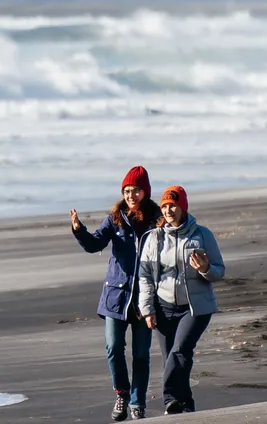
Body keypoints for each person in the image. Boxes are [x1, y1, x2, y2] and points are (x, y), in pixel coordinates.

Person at [70, 165, 162, 421]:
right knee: (113, 347)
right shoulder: (115, 218)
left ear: (145, 192)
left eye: (136, 191)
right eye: (127, 190)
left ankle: (137, 403)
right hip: (115, 297)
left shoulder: (156, 220)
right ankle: (122, 394)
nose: (131, 195)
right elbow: (95, 244)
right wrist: (79, 230)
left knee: (141, 354)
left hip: (145, 298)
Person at [138, 185, 225, 415]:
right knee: (176, 358)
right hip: (163, 306)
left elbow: (219, 271)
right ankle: (185, 405)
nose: (168, 210)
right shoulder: (154, 238)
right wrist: (147, 309)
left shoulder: (202, 235)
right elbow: (145, 276)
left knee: (179, 351)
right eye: (165, 206)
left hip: (195, 307)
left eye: (173, 206)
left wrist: (206, 268)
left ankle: (168, 398)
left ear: (183, 207)